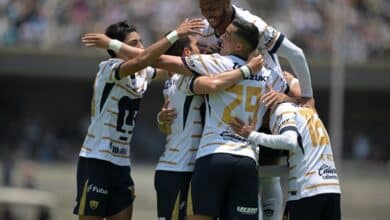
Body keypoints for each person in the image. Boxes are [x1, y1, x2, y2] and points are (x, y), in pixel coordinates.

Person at [73, 19, 204, 220]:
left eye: (141, 42)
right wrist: (174, 35)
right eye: (134, 44)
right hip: (96, 159)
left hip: (122, 163)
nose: (141, 48)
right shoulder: (109, 68)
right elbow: (143, 59)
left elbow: (168, 66)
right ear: (118, 48)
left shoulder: (142, 73)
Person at [196, 1, 315, 219]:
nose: (207, 15)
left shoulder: (254, 25)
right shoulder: (204, 25)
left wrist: (307, 97)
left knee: (267, 173)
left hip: (266, 98)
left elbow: (296, 54)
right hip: (234, 95)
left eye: (211, 9)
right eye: (202, 8)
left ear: (226, 3)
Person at [154, 34, 264, 220]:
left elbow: (167, 123)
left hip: (197, 164)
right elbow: (214, 84)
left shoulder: (176, 79)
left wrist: (160, 119)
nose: (206, 48)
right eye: (200, 46)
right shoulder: (186, 78)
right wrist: (247, 69)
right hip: (178, 168)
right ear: (188, 53)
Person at [230, 78, 341, 220]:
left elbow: (290, 141)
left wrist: (251, 134)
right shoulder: (309, 109)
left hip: (306, 192)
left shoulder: (282, 111)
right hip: (331, 188)